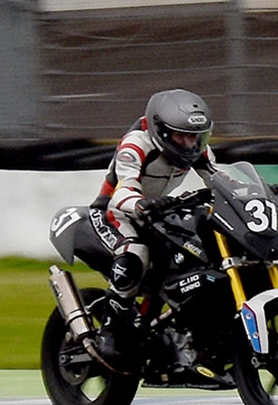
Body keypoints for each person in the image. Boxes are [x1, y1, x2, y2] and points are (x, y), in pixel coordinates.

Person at [90, 88, 216, 370]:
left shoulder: (196, 148)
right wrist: (142, 204)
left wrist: (251, 192)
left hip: (158, 214)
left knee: (192, 256)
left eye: (194, 136)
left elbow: (219, 180)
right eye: (181, 136)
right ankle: (109, 331)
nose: (189, 144)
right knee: (136, 255)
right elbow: (122, 192)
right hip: (116, 212)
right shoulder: (136, 145)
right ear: (161, 131)